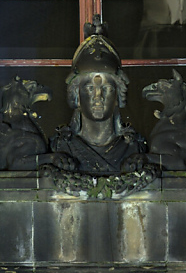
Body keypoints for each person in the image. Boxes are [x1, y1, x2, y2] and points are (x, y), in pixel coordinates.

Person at [48, 19, 147, 175]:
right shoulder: (61, 148)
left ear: (118, 97)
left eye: (106, 88)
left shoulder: (133, 148)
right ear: (76, 96)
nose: (98, 96)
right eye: (89, 89)